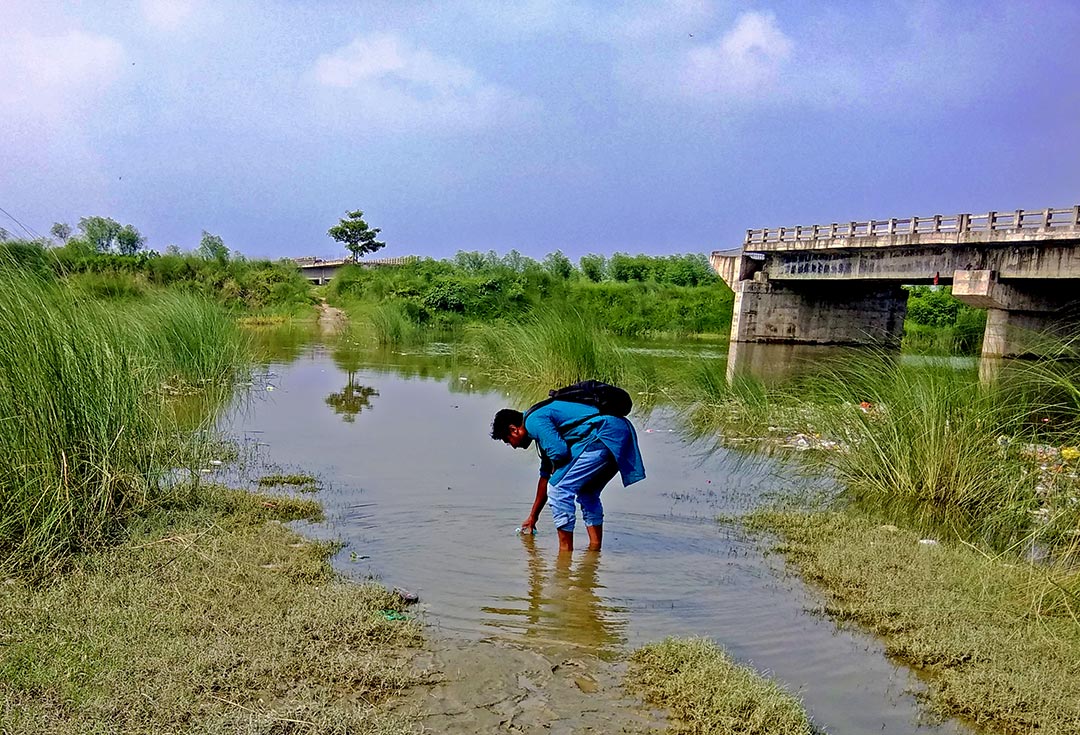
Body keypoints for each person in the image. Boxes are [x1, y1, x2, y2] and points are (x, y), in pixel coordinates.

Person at [491, 398, 645, 552]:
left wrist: (557, 473)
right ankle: (594, 549)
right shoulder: (539, 426)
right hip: (618, 433)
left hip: (604, 434)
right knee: (587, 492)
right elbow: (545, 476)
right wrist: (533, 517)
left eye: (508, 441)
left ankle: (565, 554)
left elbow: (559, 452)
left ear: (514, 429)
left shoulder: (533, 421)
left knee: (558, 489)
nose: (513, 446)